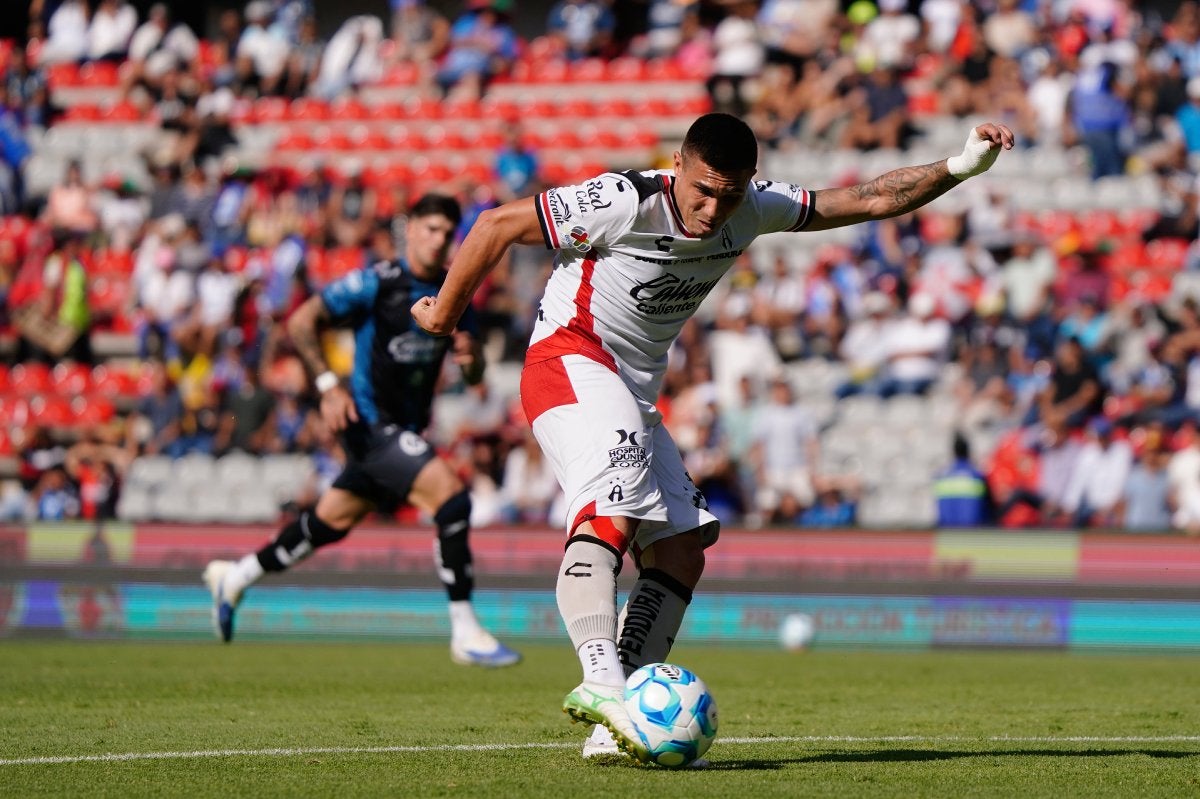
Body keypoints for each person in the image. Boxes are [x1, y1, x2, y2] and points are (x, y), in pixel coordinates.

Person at [411, 112, 1013, 761]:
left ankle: (616, 725)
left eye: (729, 194)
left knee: (681, 548)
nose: (711, 208)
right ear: (677, 164)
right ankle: (603, 680)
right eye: (701, 189)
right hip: (570, 358)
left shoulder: (753, 208)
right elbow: (498, 224)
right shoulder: (623, 200)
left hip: (633, 390)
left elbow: (870, 198)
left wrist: (959, 166)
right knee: (612, 507)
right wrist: (442, 319)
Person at [203, 194, 520, 668]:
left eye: (445, 233)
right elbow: (302, 319)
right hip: (368, 424)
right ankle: (464, 630)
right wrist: (329, 385)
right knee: (451, 497)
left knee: (327, 526)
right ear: (409, 230)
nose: (437, 241)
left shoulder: (456, 290)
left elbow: (472, 375)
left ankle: (237, 575)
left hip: (404, 429)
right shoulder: (378, 282)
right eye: (429, 229)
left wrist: (473, 368)